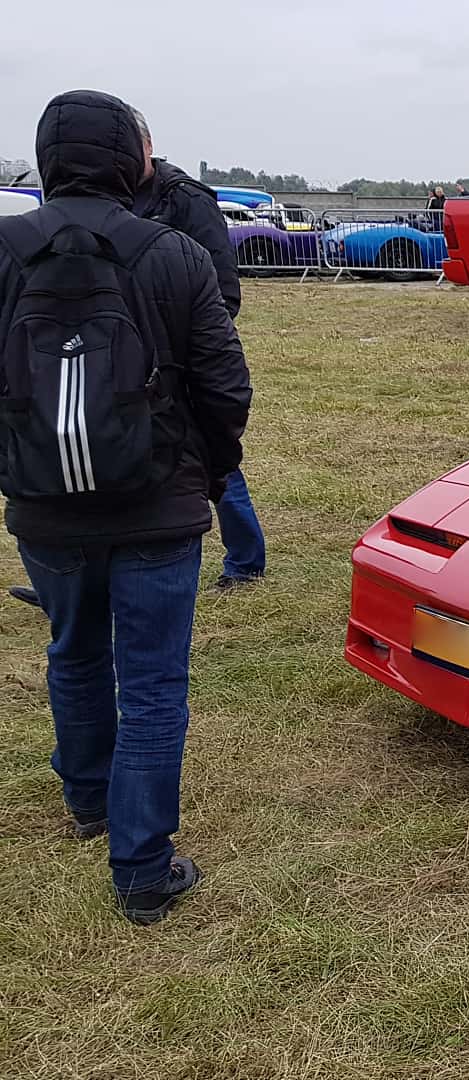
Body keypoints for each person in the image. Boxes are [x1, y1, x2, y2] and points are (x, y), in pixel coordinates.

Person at [0, 90, 252, 924]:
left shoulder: (5, 250)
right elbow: (225, 386)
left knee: (73, 651)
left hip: (44, 508)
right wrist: (211, 479)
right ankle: (141, 870)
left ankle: (87, 802)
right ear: (131, 159)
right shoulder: (173, 253)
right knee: (151, 685)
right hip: (158, 505)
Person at [8, 107, 264, 612]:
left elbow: (218, 285)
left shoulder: (186, 200)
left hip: (173, 359)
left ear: (144, 148)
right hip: (85, 361)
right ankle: (66, 578)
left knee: (208, 453)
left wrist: (188, 339)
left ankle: (244, 558)